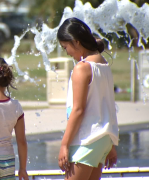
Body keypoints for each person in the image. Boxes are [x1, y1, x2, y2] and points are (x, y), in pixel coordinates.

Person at [57, 17, 119, 180]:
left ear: (76, 42)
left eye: (65, 47)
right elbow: (108, 107)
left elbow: (78, 110)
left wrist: (64, 144)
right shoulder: (104, 65)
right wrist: (110, 144)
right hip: (102, 139)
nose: (67, 53)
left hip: (87, 138)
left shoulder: (82, 68)